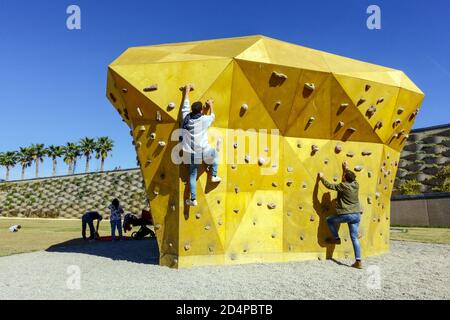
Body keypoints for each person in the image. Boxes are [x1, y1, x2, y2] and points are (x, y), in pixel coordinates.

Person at [180, 83, 221, 207]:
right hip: (204, 150)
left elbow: (185, 104)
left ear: (192, 110)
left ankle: (193, 199)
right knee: (216, 154)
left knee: (192, 175)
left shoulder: (186, 118)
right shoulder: (204, 120)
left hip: (192, 153)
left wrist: (187, 90)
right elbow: (212, 116)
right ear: (201, 111)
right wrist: (211, 105)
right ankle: (213, 175)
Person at [318, 161, 363, 269]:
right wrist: (346, 168)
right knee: (354, 238)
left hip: (347, 214)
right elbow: (350, 177)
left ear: (345, 179)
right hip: (356, 215)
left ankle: (336, 238)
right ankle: (358, 261)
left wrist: (322, 178)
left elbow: (330, 186)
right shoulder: (356, 184)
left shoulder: (342, 186)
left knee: (329, 220)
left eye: (344, 176)